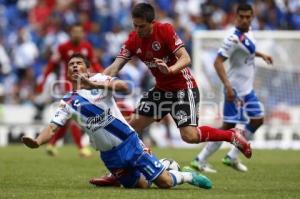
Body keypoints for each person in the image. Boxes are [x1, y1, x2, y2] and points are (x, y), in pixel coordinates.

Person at [90, 3, 251, 186]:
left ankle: (231, 135)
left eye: (141, 26)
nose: (137, 30)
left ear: (152, 23)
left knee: (189, 136)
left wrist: (171, 69)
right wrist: (93, 82)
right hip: (162, 90)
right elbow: (114, 67)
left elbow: (186, 58)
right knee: (129, 127)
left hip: (183, 87)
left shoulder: (164, 30)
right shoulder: (133, 39)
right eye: (135, 25)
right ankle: (117, 173)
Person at [22, 53, 213, 189]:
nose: (74, 66)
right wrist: (37, 141)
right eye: (71, 64)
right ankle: (163, 163)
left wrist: (93, 83)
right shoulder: (68, 102)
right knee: (140, 185)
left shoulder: (99, 79)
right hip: (109, 156)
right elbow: (52, 128)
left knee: (164, 183)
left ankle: (188, 176)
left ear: (87, 69)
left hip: (128, 143)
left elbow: (124, 87)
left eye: (79, 63)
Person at [190, 3, 273, 173]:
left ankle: (232, 156)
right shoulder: (232, 38)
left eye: (247, 17)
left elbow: (247, 49)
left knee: (258, 119)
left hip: (247, 90)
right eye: (241, 17)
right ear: (236, 17)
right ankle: (200, 159)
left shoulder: (248, 32)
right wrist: (227, 86)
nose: (244, 20)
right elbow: (217, 61)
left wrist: (261, 54)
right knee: (227, 127)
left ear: (252, 17)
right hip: (234, 91)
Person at [35, 23, 103, 157]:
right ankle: (81, 148)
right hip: (65, 83)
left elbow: (94, 63)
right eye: (74, 32)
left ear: (83, 33)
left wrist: (102, 75)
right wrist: (42, 82)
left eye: (79, 32)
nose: (77, 34)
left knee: (68, 117)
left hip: (82, 84)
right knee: (73, 114)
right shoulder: (62, 47)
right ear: (70, 33)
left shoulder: (87, 46)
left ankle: (52, 145)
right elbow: (51, 65)